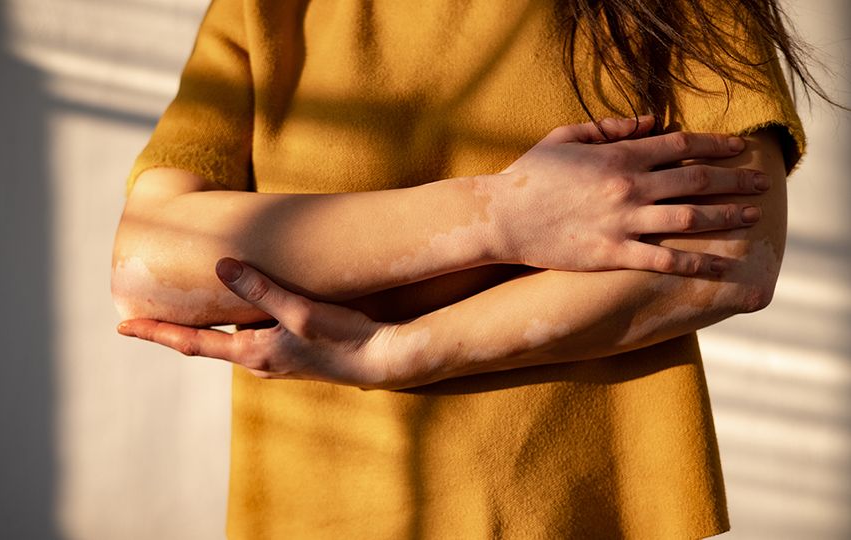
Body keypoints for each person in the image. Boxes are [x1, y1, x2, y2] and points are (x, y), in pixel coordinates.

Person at [112, 0, 811, 537]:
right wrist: (501, 216)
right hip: (323, 513)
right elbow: (149, 267)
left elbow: (738, 251)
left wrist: (399, 352)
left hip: (579, 514)